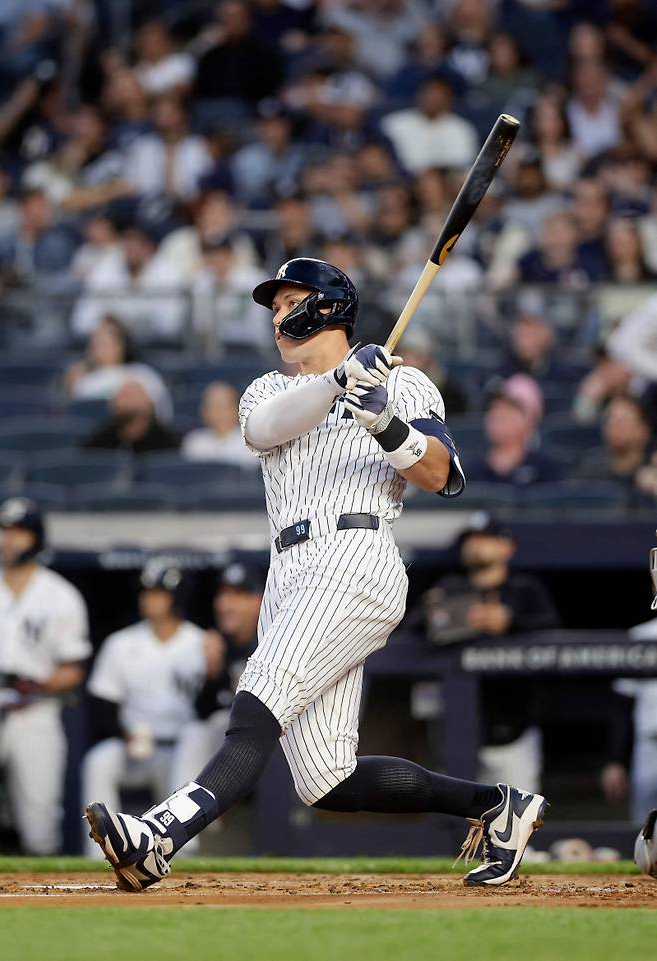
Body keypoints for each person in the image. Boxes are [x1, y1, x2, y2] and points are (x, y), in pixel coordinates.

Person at [85, 256, 548, 892]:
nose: (276, 317)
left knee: (259, 699)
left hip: (356, 557)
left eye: (286, 303)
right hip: (289, 571)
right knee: (326, 780)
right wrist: (338, 385)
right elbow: (265, 429)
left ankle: (159, 835)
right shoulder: (269, 390)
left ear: (325, 306)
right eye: (273, 306)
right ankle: (497, 806)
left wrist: (386, 424)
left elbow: (441, 474)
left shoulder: (406, 384)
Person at [420, 514, 559, 791]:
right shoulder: (449, 587)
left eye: (485, 539)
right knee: (454, 820)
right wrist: (459, 619)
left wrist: (509, 620)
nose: (475, 546)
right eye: (471, 540)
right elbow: (413, 626)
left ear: (506, 547)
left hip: (513, 723)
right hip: (454, 725)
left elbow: (551, 628)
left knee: (517, 814)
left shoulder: (523, 589)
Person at [82, 561, 207, 855]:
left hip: (180, 752)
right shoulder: (121, 643)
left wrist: (214, 672)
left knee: (186, 762)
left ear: (177, 597)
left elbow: (210, 709)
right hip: (135, 749)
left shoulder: (201, 643)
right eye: (147, 592)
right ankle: (99, 852)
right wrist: (121, 734)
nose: (149, 598)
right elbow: (101, 706)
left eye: (158, 592)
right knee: (99, 760)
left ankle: (183, 855)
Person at [0, 498, 90, 853]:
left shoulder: (60, 595)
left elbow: (72, 670)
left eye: (18, 532)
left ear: (36, 538)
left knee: (39, 824)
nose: (9, 540)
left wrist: (36, 683)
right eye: (4, 531)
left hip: (33, 708)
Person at [170, 561, 264, 822]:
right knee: (197, 732)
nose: (226, 604)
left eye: (238, 595)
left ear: (259, 601)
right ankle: (182, 830)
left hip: (282, 742)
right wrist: (213, 673)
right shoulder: (220, 644)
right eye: (223, 595)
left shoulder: (272, 639)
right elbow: (202, 712)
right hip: (241, 746)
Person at [64, 315, 173, 422]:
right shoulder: (84, 382)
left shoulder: (143, 374)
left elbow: (162, 414)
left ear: (122, 344)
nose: (99, 349)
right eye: (95, 343)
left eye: (106, 343)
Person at [466, 374, 561, 486]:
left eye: (510, 410)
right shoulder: (471, 470)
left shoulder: (544, 468)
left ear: (530, 420)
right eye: (494, 408)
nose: (499, 414)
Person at [380, 74, 479, 174]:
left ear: (449, 99)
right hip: (406, 180)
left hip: (451, 181)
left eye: (440, 95)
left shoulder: (462, 128)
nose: (433, 99)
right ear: (419, 94)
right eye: (430, 93)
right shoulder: (394, 123)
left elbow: (462, 164)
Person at [82, 380, 179, 454]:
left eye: (127, 396)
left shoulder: (166, 443)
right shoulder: (101, 440)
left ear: (148, 404)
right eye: (118, 397)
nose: (119, 402)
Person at [181, 382, 258, 466]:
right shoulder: (193, 442)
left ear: (237, 410)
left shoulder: (251, 443)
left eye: (225, 407)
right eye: (214, 407)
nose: (220, 413)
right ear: (204, 411)